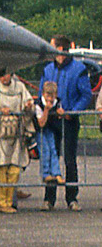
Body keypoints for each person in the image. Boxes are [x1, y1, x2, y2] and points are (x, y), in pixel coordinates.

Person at [41, 37, 91, 210]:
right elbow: (42, 91)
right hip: (51, 120)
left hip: (69, 121)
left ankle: (71, 198)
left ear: (60, 48)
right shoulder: (48, 69)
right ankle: (49, 199)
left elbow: (86, 95)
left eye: (52, 45)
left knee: (69, 159)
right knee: (51, 158)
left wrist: (71, 112)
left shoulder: (79, 69)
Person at [0, 71, 34, 213]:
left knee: (14, 169)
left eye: (6, 74)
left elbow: (29, 104)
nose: (4, 77)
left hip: (16, 134)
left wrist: (27, 107)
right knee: (0, 169)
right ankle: (1, 203)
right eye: (1, 75)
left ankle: (9, 201)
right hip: (1, 134)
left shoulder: (20, 88)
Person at [34, 80, 66, 208]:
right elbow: (41, 122)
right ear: (43, 93)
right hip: (41, 130)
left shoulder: (57, 101)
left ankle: (57, 173)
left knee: (53, 150)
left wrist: (60, 112)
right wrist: (47, 110)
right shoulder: (38, 104)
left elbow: (60, 111)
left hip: (51, 130)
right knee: (45, 151)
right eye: (48, 95)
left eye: (52, 96)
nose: (50, 98)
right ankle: (46, 174)